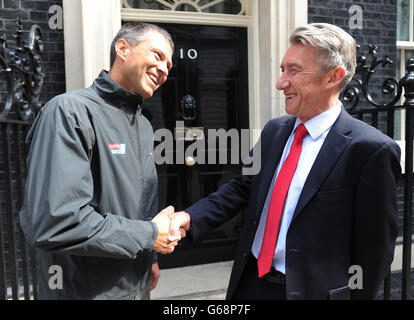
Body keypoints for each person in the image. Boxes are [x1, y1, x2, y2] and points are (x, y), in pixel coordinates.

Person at [172, 23, 402, 300]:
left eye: (294, 70)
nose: (281, 83)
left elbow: (374, 249)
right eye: (283, 69)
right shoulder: (275, 130)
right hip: (250, 282)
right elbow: (244, 187)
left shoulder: (370, 149)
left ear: (333, 77)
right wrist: (190, 217)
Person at [19, 22, 184, 300]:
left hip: (135, 286)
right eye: (157, 55)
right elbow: (54, 223)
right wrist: (149, 234)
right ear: (122, 49)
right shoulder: (69, 112)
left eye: (169, 64)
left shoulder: (143, 125)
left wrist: (150, 256)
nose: (165, 69)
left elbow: (137, 205)